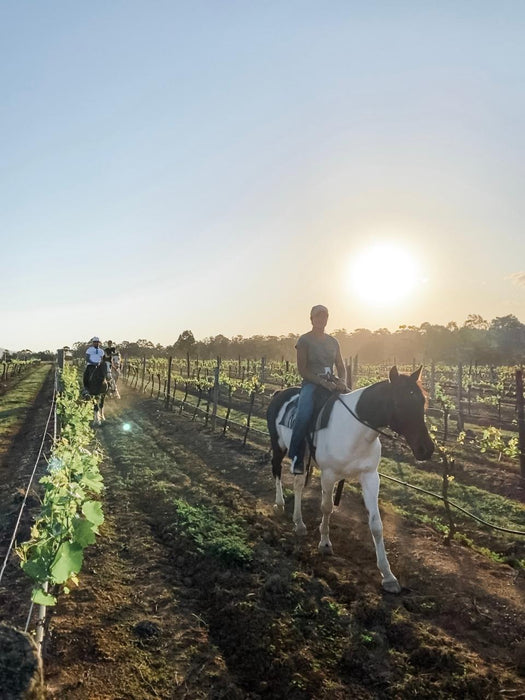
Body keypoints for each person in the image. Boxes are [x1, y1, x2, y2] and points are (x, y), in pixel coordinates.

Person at [288, 305, 347, 474]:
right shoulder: (304, 341)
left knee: (353, 405)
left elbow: (341, 367)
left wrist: (342, 381)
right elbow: (303, 370)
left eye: (325, 316)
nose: (322, 320)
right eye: (318, 317)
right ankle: (297, 456)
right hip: (312, 383)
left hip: (332, 382)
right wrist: (321, 382)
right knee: (304, 412)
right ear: (311, 319)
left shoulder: (333, 341)